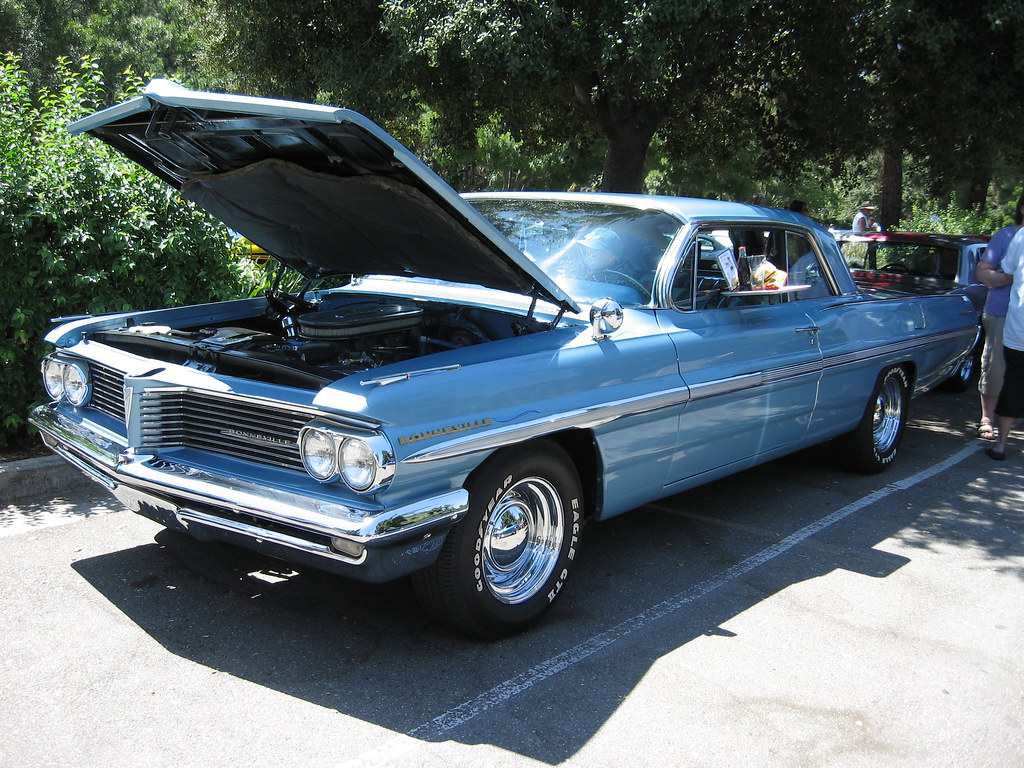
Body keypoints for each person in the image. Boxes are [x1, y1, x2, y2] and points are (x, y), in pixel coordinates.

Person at [975, 193, 1024, 440]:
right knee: (995, 366)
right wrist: (1010, 277)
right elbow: (984, 273)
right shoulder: (1007, 235)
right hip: (1002, 312)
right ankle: (987, 418)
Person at [984, 224, 1024, 460]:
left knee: (1013, 381)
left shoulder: (1020, 235)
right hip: (1017, 323)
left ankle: (1001, 445)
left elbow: (1008, 271)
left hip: (1019, 324)